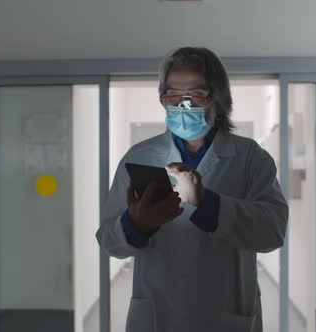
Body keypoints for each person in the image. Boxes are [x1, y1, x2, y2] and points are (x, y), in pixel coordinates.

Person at [96, 47, 288, 332]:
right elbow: (109, 241)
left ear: (217, 96)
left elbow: (272, 232)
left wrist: (207, 202)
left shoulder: (250, 158)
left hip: (225, 311)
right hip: (157, 314)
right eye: (173, 94)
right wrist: (135, 224)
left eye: (195, 93)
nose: (183, 104)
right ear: (163, 98)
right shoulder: (139, 157)